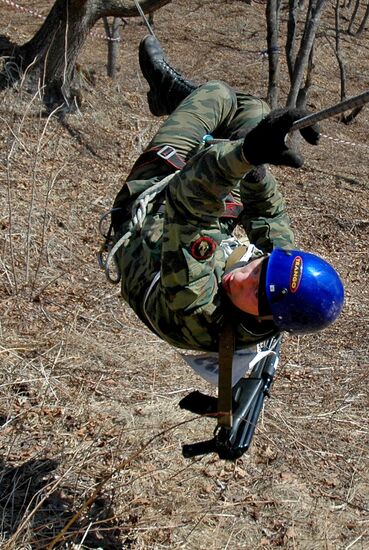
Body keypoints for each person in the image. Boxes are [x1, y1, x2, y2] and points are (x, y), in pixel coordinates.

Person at [104, 35, 344, 356]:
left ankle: (173, 94)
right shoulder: (279, 282)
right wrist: (255, 166)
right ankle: (188, 106)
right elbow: (269, 216)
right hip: (185, 227)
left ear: (271, 319)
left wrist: (244, 155)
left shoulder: (198, 305)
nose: (243, 278)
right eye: (259, 268)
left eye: (256, 294)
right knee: (255, 111)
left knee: (217, 95)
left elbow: (189, 202)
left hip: (145, 222)